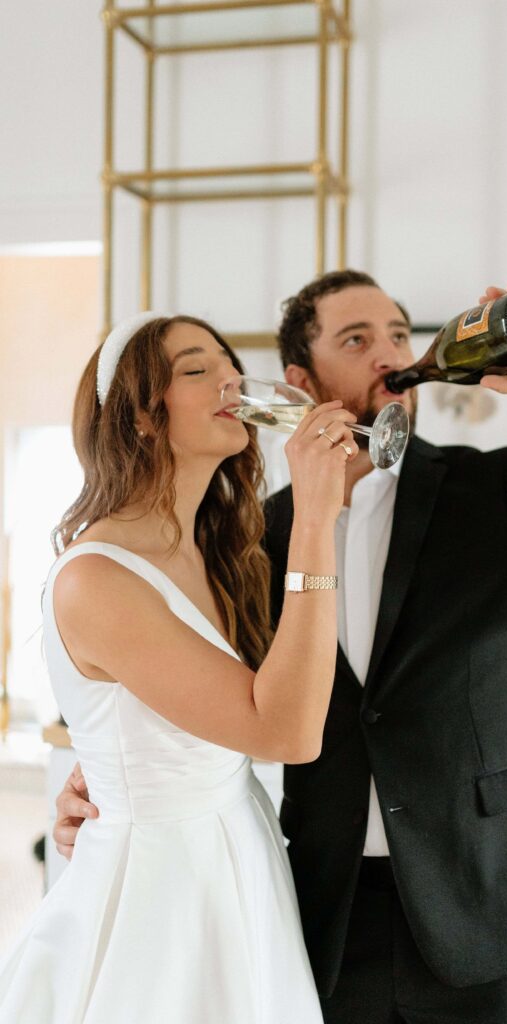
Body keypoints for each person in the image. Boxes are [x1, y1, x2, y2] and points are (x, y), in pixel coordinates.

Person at [54, 274, 507, 1024]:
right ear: (298, 381)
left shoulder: (496, 491)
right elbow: (198, 685)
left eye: (397, 335)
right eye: (355, 340)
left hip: (497, 909)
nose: (388, 354)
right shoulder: (250, 536)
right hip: (321, 912)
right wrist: (102, 780)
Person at [0, 311, 360, 1024]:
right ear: (138, 417)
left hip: (237, 865)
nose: (230, 377)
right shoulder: (97, 579)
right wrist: (318, 517)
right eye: (197, 369)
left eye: (230, 362)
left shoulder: (213, 547)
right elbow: (286, 735)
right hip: (159, 897)